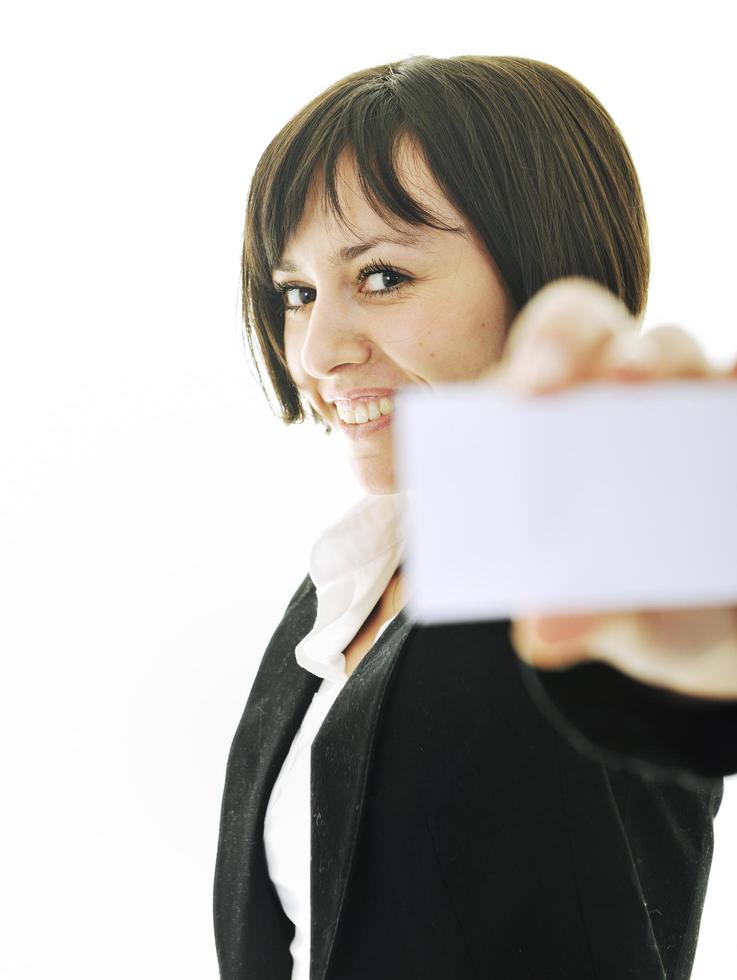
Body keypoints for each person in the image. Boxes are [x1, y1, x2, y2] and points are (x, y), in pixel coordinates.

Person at [213, 54, 737, 980]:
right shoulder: (344, 584)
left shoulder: (591, 562)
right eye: (296, 293)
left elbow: (678, 688)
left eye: (380, 277)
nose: (318, 351)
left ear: (541, 270)